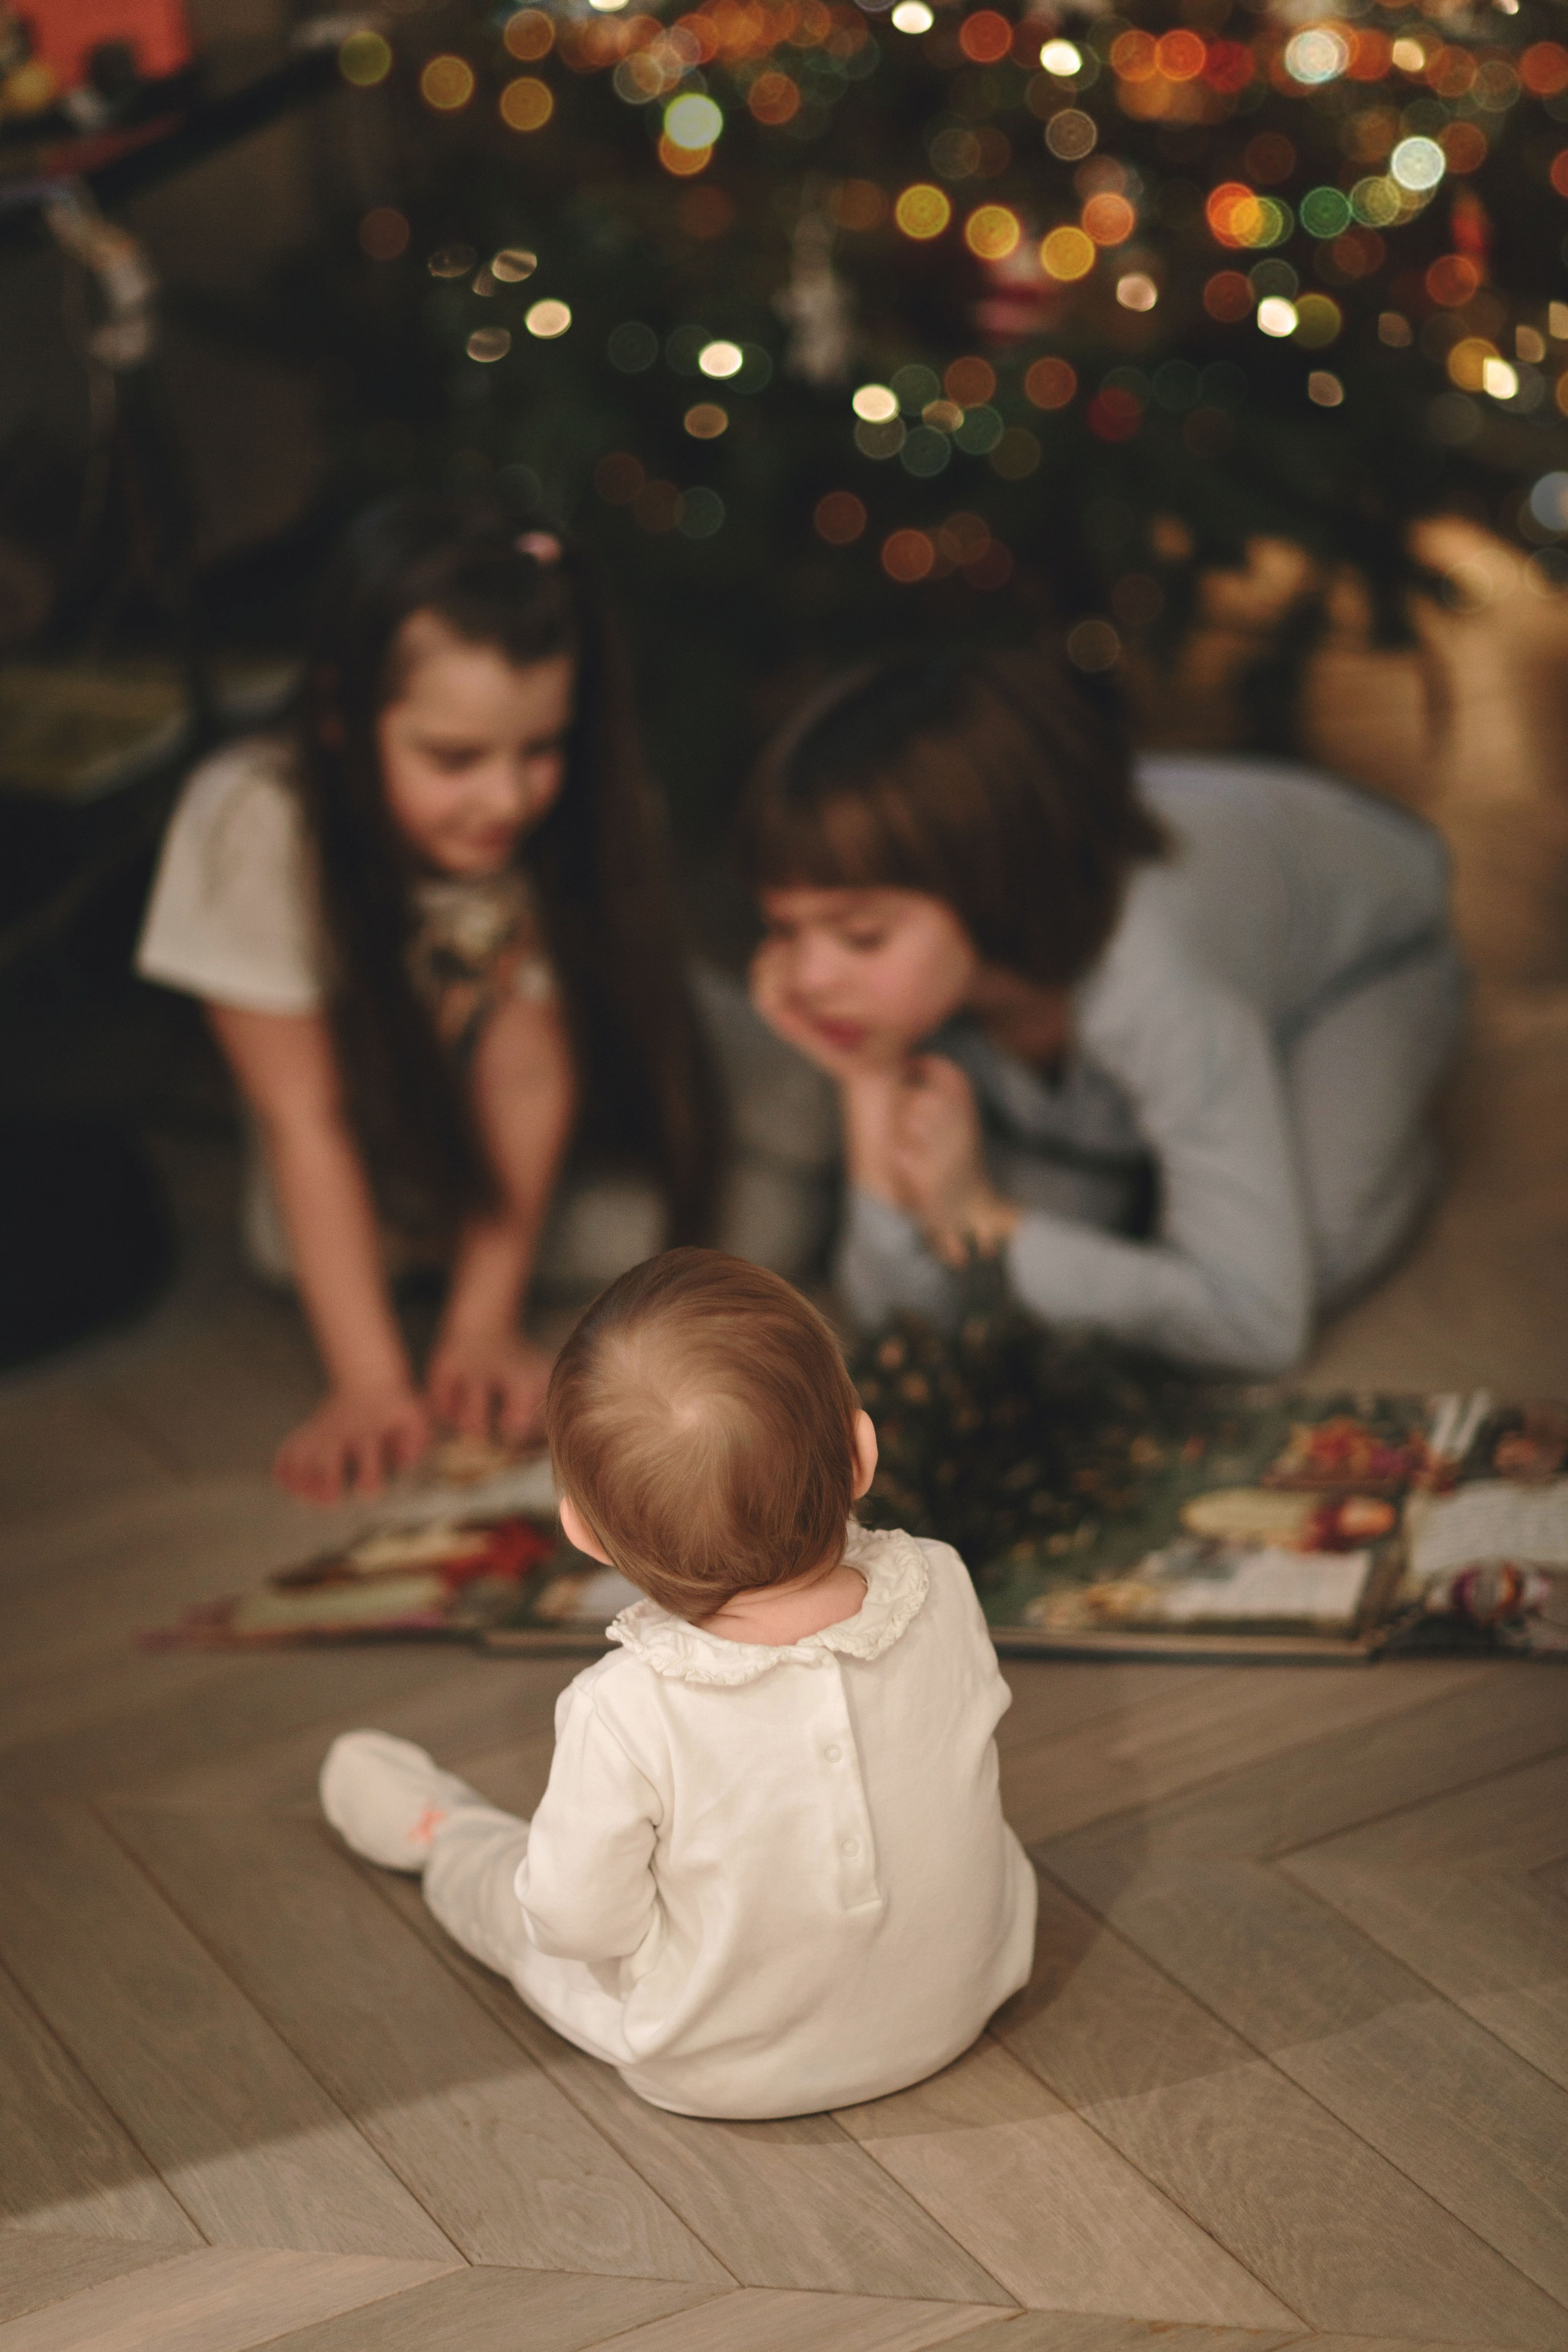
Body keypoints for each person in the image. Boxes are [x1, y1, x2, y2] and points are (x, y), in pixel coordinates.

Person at [137, 495, 832, 1502]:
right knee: (770, 1225)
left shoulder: (582, 807)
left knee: (803, 1115)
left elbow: (530, 1067)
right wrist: (373, 1382)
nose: (505, 801)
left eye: (539, 749)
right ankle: (439, 1244)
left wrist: (481, 1323)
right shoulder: (256, 820)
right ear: (338, 716)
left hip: (603, 1038)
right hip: (385, 1139)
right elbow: (305, 1121)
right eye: (454, 758)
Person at [318, 1248, 1036, 2120]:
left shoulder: (626, 1708)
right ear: (860, 1451)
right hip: (965, 1990)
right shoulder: (942, 1582)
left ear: (583, 1533)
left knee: (522, 1908)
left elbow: (578, 1925)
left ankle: (438, 1833)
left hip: (726, 2064)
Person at [739, 646, 1464, 1376]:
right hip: (1151, 994)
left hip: (1367, 966)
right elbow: (899, 1321)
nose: (810, 978)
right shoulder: (941, 976)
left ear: (991, 890)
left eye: (860, 936)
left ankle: (1370, 1137)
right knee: (1068, 1256)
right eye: (784, 931)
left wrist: (982, 1219)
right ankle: (1167, 1145)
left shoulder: (1153, 985)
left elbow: (1260, 1325)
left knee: (1306, 1257)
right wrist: (867, 1078)